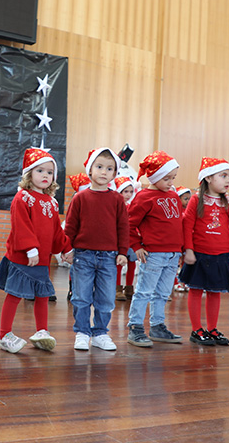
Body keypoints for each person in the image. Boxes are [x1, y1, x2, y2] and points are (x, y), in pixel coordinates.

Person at [0, 148, 70, 353]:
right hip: (22, 258)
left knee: (42, 296)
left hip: (42, 260)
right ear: (28, 174)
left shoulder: (52, 203)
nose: (45, 175)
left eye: (49, 172)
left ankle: (42, 331)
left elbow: (55, 231)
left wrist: (65, 248)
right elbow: (21, 226)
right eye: (40, 171)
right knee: (15, 295)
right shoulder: (23, 198)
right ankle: (4, 334)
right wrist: (30, 249)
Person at [182, 157, 229, 346]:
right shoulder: (196, 199)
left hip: (220, 256)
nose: (228, 180)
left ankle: (212, 328)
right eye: (223, 176)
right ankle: (197, 330)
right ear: (208, 178)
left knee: (215, 292)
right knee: (196, 290)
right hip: (199, 254)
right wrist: (188, 250)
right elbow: (187, 226)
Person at [66, 148, 128, 351]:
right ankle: (82, 332)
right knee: (81, 296)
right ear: (89, 170)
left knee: (106, 298)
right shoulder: (80, 198)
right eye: (99, 167)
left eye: (109, 168)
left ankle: (100, 332)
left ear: (114, 173)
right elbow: (71, 226)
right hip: (83, 255)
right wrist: (67, 248)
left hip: (109, 257)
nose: (104, 172)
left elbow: (123, 227)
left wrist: (122, 251)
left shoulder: (117, 199)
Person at [126, 151, 183, 347]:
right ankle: (135, 327)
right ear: (155, 176)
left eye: (173, 178)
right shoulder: (144, 197)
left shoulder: (174, 196)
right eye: (166, 178)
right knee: (144, 292)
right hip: (154, 254)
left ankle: (157, 326)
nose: (170, 182)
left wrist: (180, 250)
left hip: (173, 254)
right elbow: (129, 223)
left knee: (163, 293)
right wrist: (136, 246)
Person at [115, 176, 137, 301]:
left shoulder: (131, 207)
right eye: (125, 191)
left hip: (131, 240)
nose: (128, 195)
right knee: (119, 265)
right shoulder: (116, 206)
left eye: (131, 192)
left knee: (132, 264)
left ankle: (129, 288)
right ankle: (117, 288)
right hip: (119, 240)